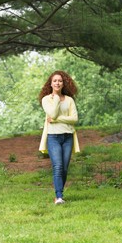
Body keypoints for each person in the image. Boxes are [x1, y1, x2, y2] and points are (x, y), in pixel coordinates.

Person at [39, 70, 80, 205]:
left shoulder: (69, 100)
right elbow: (52, 113)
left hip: (68, 137)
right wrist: (56, 98)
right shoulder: (46, 99)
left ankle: (59, 194)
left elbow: (74, 119)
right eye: (55, 81)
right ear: (50, 84)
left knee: (64, 168)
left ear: (64, 83)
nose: (57, 83)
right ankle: (59, 196)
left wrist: (58, 120)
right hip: (53, 137)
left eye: (60, 81)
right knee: (57, 166)